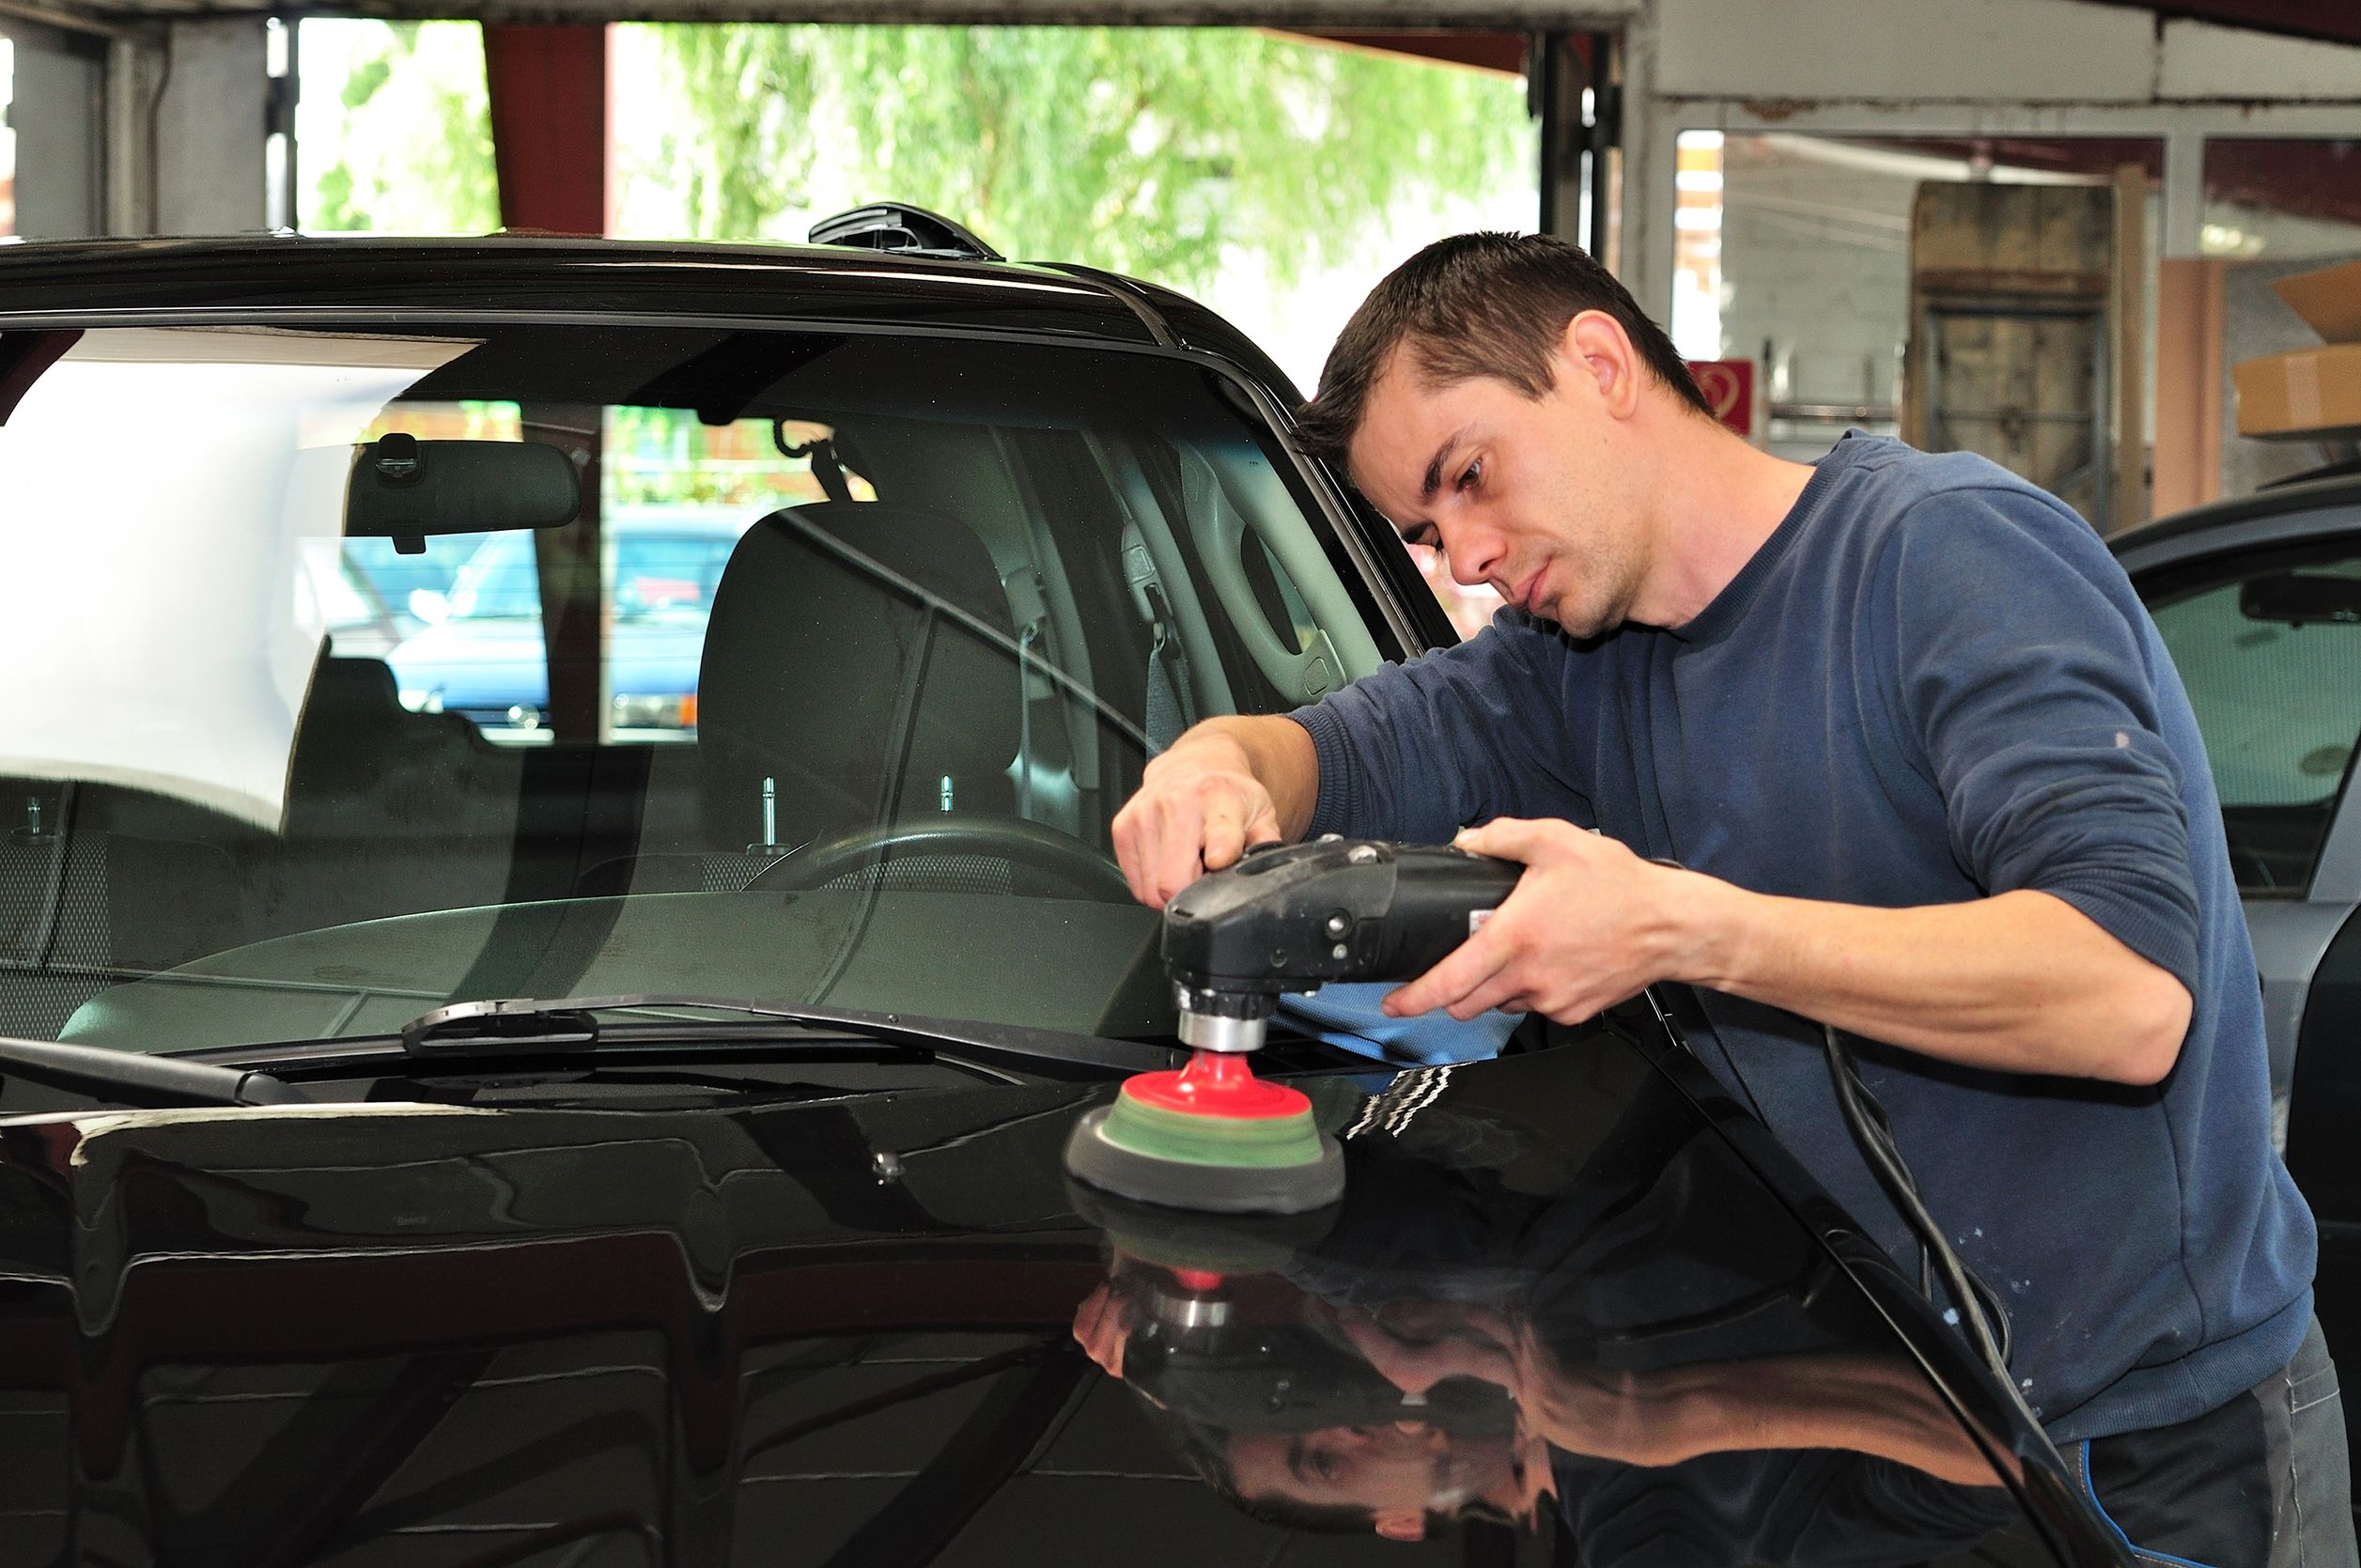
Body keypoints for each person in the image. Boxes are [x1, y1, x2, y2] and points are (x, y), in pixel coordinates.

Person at [1110, 231, 2353, 1564]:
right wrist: (1218, 761)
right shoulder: (1563, 662)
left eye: (1468, 477)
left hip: (2140, 1440)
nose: (1463, 554)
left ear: (1595, 363)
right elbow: (1345, 750)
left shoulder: (1943, 560)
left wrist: (1680, 924)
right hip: (1857, 1416)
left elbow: (2123, 995)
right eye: (1423, 531)